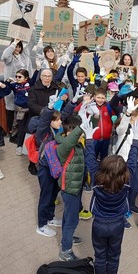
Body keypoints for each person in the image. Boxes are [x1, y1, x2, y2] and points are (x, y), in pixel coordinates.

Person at [89, 120, 138, 274]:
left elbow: (90, 158)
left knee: (99, 256)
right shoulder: (127, 180)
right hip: (118, 224)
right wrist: (136, 139)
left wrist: (89, 138)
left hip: (99, 223)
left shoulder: (96, 179)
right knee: (114, 256)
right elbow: (132, 160)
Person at [35, 90, 80, 237]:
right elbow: (43, 121)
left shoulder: (59, 130)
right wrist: (49, 108)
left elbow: (65, 115)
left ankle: (50, 217)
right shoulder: (44, 132)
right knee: (45, 196)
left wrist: (73, 102)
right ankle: (41, 225)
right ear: (50, 121)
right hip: (45, 168)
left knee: (54, 194)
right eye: (57, 120)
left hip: (55, 169)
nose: (61, 122)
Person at [57, 108, 95, 261]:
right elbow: (71, 141)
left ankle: (67, 238)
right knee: (72, 219)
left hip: (76, 185)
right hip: (69, 187)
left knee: (69, 215)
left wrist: (93, 116)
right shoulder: (64, 145)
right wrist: (80, 129)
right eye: (79, 132)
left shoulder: (78, 144)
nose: (82, 135)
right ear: (70, 133)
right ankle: (65, 251)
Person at [0, 68, 38, 155]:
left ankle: (29, 146)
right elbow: (7, 88)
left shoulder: (30, 84)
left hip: (31, 110)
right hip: (20, 111)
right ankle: (19, 146)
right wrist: (7, 81)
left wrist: (38, 69)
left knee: (30, 128)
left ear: (26, 78)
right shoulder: (15, 85)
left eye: (19, 77)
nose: (17, 78)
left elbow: (35, 77)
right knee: (21, 129)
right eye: (16, 76)